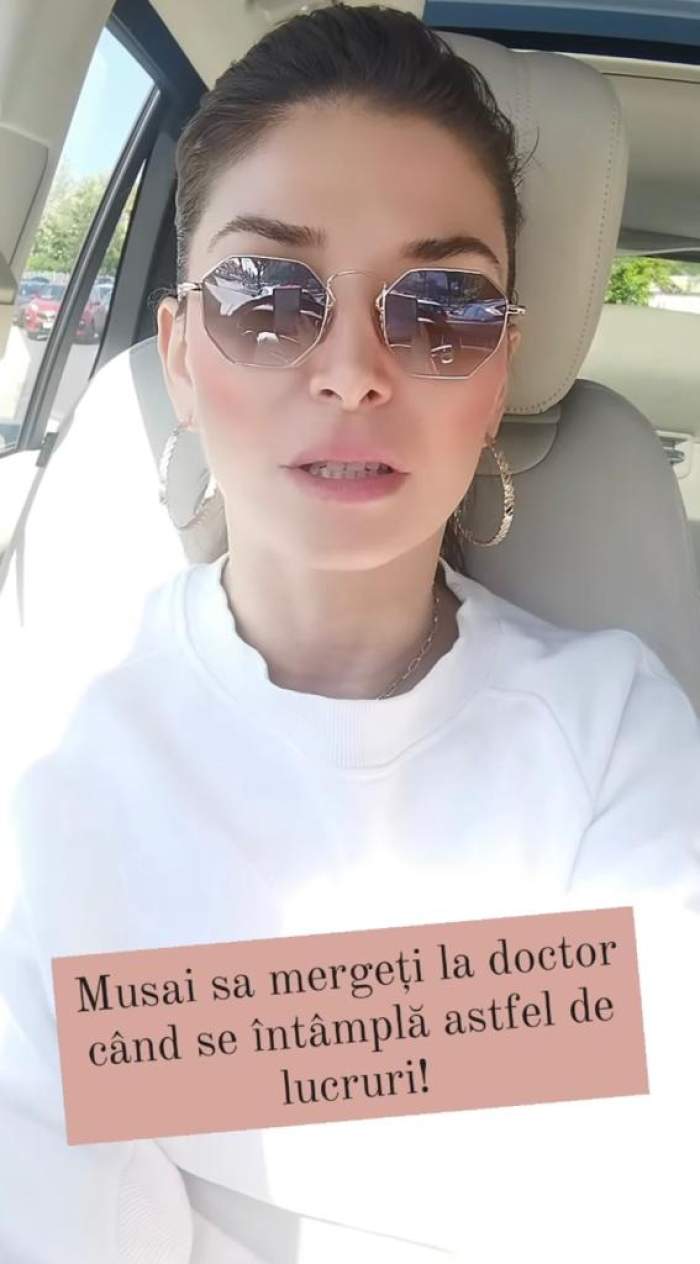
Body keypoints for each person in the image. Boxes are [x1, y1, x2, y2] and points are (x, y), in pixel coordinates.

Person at [1, 6, 699, 1262]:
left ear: (496, 373)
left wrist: (142, 1048)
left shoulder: (616, 728)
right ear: (181, 355)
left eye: (442, 307)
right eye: (268, 297)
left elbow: (649, 1186)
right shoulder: (48, 740)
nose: (352, 370)